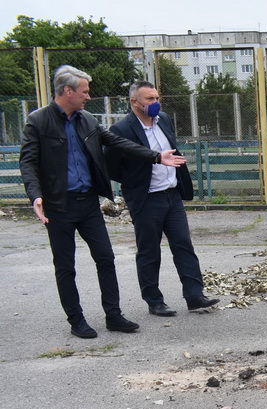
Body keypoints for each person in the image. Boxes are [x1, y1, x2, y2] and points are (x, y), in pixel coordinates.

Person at [20, 65, 187, 338]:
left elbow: (118, 142)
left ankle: (113, 315)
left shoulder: (87, 119)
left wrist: (156, 156)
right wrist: (35, 195)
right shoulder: (38, 121)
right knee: (65, 265)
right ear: (68, 91)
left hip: (88, 203)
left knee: (106, 258)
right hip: (57, 206)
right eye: (84, 92)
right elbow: (28, 162)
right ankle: (77, 320)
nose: (88, 96)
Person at [106, 81, 219, 316]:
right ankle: (154, 301)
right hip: (146, 199)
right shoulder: (122, 129)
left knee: (183, 245)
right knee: (149, 251)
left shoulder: (164, 119)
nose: (155, 103)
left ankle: (194, 295)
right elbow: (112, 167)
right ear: (134, 102)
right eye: (149, 99)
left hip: (172, 194)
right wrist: (136, 180)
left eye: (157, 98)